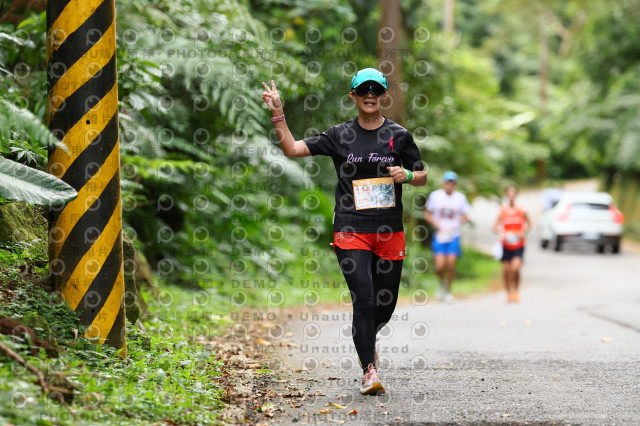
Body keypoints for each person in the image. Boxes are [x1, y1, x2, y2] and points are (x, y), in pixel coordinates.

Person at [261, 68, 427, 395]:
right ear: (353, 96)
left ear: (384, 96)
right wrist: (278, 112)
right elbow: (292, 149)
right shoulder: (340, 135)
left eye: (375, 90)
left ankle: (369, 336)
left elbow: (421, 175)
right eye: (363, 90)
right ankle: (369, 371)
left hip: (389, 230)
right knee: (364, 299)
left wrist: (406, 175)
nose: (370, 95)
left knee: (385, 304)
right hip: (351, 228)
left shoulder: (399, 135)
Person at [423, 172, 470, 303]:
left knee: (450, 264)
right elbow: (427, 214)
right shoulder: (435, 196)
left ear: (455, 184)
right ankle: (442, 283)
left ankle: (448, 290)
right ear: (443, 183)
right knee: (439, 266)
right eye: (448, 182)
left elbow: (466, 215)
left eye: (452, 183)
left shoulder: (460, 198)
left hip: (453, 235)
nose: (450, 185)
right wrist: (435, 223)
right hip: (440, 235)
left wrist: (458, 222)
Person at [493, 185, 530, 303]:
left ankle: (516, 291)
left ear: (516, 195)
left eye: (513, 194)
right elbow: (495, 227)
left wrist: (522, 233)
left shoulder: (522, 210)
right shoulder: (502, 210)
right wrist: (502, 233)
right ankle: (508, 293)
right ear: (506, 195)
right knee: (506, 271)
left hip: (519, 244)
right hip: (506, 245)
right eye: (509, 194)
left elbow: (529, 224)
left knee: (515, 268)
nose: (511, 197)